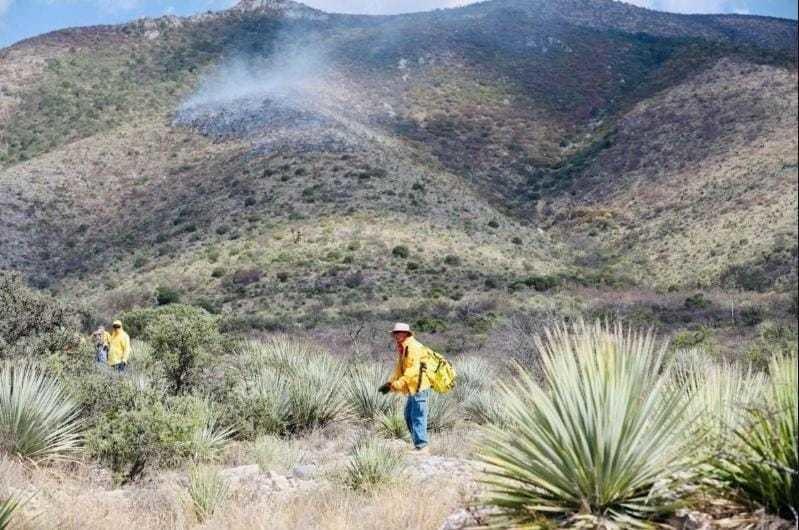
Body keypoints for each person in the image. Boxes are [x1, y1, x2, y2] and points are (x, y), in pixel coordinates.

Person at [379, 322, 431, 453]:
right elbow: (399, 369)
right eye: (395, 333)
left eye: (399, 332)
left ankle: (423, 446)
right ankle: (418, 444)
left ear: (406, 333)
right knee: (408, 415)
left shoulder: (413, 347)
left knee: (417, 415)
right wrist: (390, 383)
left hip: (419, 386)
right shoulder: (403, 347)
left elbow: (412, 370)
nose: (397, 335)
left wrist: (398, 384)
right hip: (412, 388)